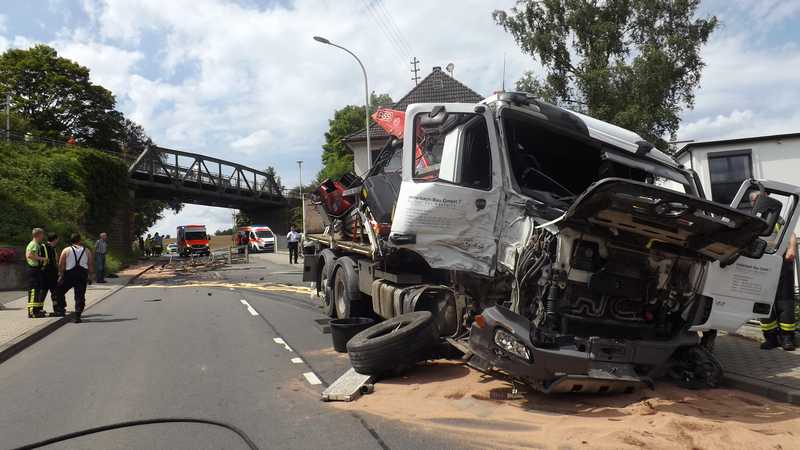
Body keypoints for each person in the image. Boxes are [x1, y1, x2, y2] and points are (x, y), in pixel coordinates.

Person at [58, 233, 93, 324]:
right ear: (80, 240)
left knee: (60, 290)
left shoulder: (66, 250)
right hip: (82, 274)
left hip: (69, 274)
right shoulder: (87, 251)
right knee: (80, 295)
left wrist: (61, 275)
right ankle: (78, 315)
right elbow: (90, 264)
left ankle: (61, 308)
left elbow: (61, 263)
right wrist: (90, 276)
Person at [25, 228, 48, 318]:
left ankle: (36, 310)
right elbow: (29, 255)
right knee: (34, 290)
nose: (43, 236)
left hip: (35, 269)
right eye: (42, 235)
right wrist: (42, 259)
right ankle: (32, 312)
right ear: (38, 235)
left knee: (37, 290)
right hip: (33, 269)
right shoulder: (33, 244)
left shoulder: (35, 244)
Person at [43, 232, 65, 317]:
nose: (58, 240)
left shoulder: (50, 247)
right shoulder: (48, 247)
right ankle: (57, 309)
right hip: (50, 273)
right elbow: (52, 262)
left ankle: (56, 308)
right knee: (54, 292)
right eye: (57, 239)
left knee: (47, 292)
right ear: (55, 239)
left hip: (48, 273)